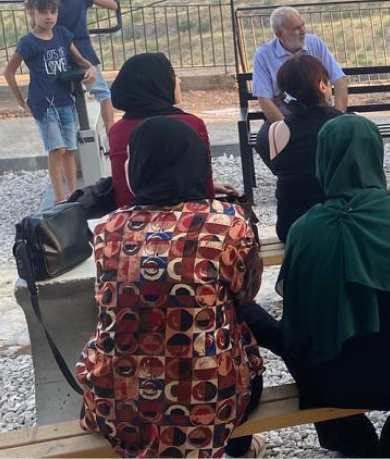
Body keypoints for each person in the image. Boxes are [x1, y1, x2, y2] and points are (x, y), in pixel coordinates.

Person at [240, 116, 390, 458]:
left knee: (305, 347)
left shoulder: (304, 229)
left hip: (332, 382)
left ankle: (354, 441)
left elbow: (298, 318)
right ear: (376, 155)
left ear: (322, 159)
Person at [77, 116, 265, 459]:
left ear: (141, 166)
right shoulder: (228, 225)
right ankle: (240, 449)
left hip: (119, 404)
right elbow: (245, 295)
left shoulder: (107, 229)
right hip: (209, 400)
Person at [3, 0, 98, 203]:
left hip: (65, 99)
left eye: (52, 11)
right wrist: (21, 101)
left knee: (70, 149)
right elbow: (9, 71)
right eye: (43, 12)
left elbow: (80, 58)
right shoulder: (28, 42)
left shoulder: (63, 34)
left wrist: (90, 68)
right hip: (44, 103)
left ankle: (73, 193)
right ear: (32, 13)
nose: (48, 17)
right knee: (57, 148)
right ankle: (58, 196)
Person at [107, 52, 215, 208]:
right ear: (157, 82)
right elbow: (206, 190)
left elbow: (128, 185)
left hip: (131, 220)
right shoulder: (190, 124)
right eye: (173, 75)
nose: (178, 80)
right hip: (188, 220)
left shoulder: (117, 130)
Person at [253, 54, 343, 242]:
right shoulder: (344, 124)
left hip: (292, 226)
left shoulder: (275, 131)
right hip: (339, 222)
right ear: (321, 84)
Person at [40, 0, 119, 131]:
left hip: (58, 53)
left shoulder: (47, 0)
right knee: (103, 94)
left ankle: (72, 135)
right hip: (84, 52)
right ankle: (110, 134)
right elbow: (112, 5)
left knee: (67, 96)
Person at [251, 6, 349, 124]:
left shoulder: (315, 43)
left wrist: (337, 120)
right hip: (286, 118)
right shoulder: (263, 55)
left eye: (303, 25)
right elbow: (263, 98)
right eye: (296, 28)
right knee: (264, 141)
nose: (303, 31)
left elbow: (339, 79)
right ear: (280, 34)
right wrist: (286, 128)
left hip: (321, 115)